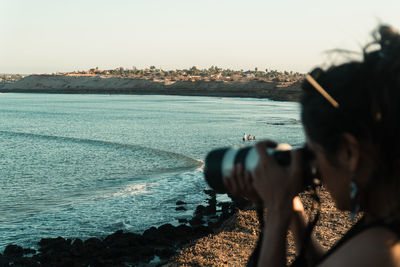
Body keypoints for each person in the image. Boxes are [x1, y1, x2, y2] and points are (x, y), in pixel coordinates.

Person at [224, 25, 400, 266]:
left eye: (314, 153)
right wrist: (294, 212)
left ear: (349, 153)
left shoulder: (381, 250)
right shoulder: (384, 221)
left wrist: (276, 212)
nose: (316, 169)